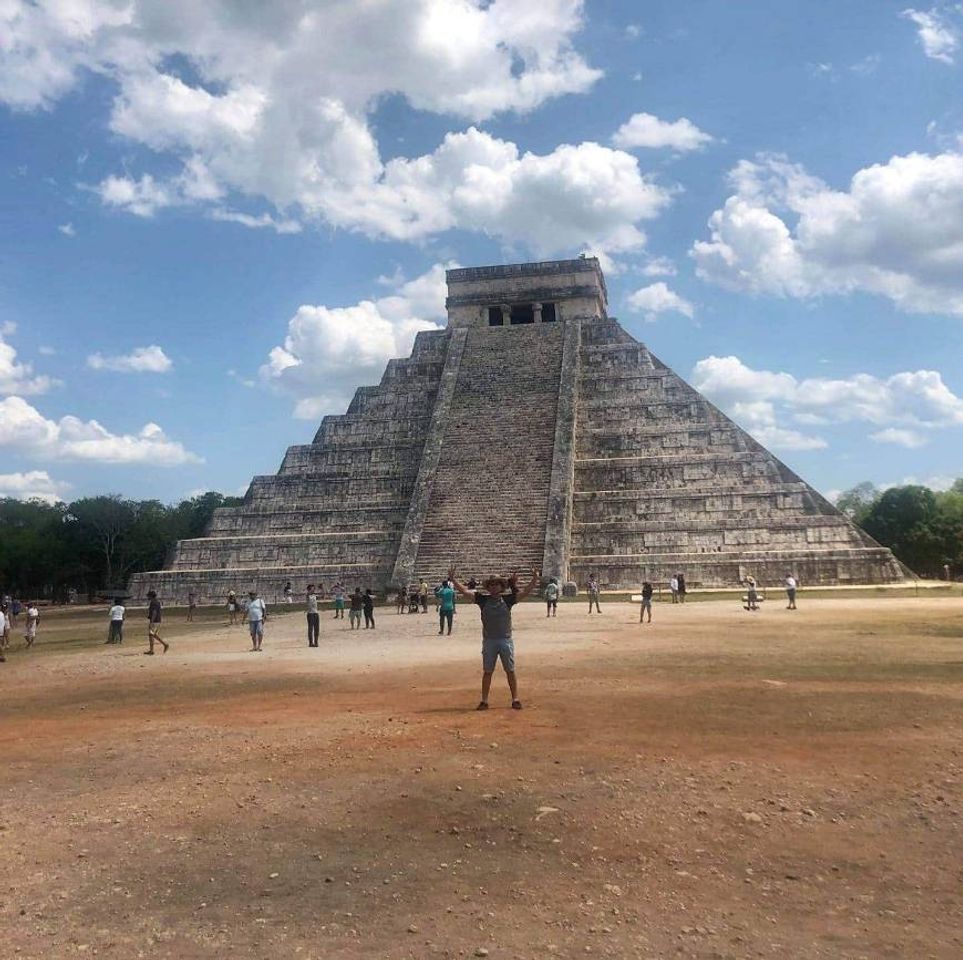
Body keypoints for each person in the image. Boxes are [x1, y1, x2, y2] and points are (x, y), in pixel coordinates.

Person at [450, 565, 539, 711]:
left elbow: (525, 592)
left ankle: (515, 698)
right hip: (490, 641)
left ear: (501, 586)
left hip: (505, 640)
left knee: (510, 670)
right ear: (489, 587)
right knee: (487, 672)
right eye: (491, 584)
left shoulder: (508, 600)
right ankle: (484, 700)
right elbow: (465, 592)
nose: (493, 587)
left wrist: (535, 579)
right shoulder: (482, 600)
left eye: (496, 584)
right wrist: (453, 580)